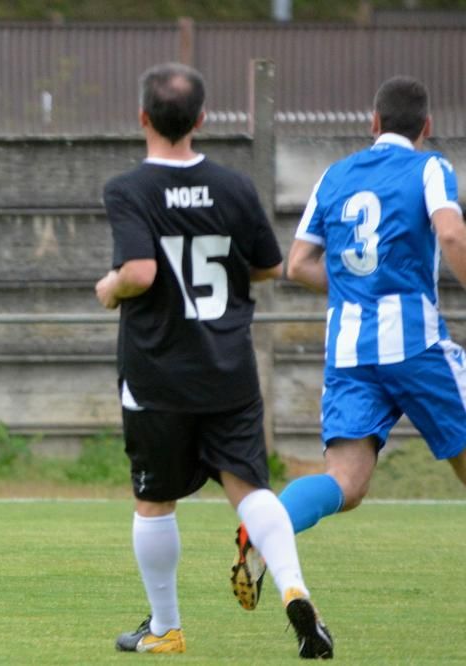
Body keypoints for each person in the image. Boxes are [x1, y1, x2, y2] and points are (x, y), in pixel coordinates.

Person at [95, 63, 332, 659]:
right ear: (202, 120)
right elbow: (266, 265)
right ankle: (294, 587)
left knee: (154, 500)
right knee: (249, 487)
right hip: (228, 368)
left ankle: (166, 629)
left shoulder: (129, 190)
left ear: (143, 118)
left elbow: (141, 272)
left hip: (157, 373)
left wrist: (109, 286)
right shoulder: (234, 187)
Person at [232, 76, 466, 613]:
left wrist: (362, 289)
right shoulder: (430, 167)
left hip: (349, 348)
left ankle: (266, 530)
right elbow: (450, 234)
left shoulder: (334, 176)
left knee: (346, 481)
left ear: (374, 123)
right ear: (426, 128)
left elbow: (297, 265)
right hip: (413, 342)